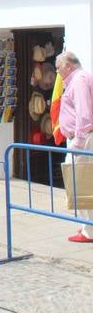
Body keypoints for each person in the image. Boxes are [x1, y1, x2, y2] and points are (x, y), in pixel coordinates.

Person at [57, 51, 93, 242]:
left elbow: (84, 112)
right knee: (82, 181)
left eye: (59, 67)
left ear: (69, 65)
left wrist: (78, 140)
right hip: (84, 136)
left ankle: (89, 230)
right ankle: (87, 227)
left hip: (83, 137)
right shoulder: (79, 78)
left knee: (81, 182)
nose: (57, 72)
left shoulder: (78, 79)